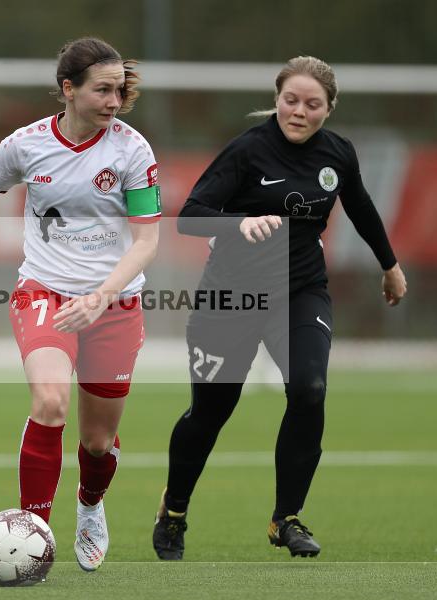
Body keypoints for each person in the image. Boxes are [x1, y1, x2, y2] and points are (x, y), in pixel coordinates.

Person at [0, 37, 161, 572]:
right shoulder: (25, 145)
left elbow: (146, 240)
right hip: (42, 293)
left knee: (98, 443)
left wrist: (100, 298)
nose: (114, 101)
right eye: (102, 90)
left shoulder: (132, 151)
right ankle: (33, 536)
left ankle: (90, 504)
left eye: (119, 91)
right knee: (50, 403)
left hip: (114, 306)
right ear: (68, 89)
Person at [152, 56, 407, 560]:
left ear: (328, 109)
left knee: (309, 389)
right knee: (210, 413)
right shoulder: (247, 150)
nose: (299, 112)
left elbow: (359, 206)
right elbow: (189, 216)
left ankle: (285, 518)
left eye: (312, 104)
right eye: (291, 100)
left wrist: (390, 265)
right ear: (276, 100)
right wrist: (238, 223)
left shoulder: (338, 154)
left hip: (300, 291)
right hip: (231, 297)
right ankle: (174, 511)